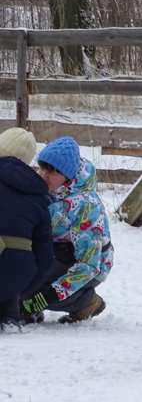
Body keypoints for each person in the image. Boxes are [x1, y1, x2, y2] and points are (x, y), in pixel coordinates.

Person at [19, 136, 113, 324]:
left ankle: (86, 301)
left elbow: (88, 264)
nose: (44, 174)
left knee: (37, 289)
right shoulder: (47, 189)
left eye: (52, 171)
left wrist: (50, 295)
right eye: (43, 168)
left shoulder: (86, 206)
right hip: (56, 253)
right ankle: (25, 304)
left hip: (89, 265)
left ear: (68, 176)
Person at [0, 128, 53, 332]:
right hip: (15, 278)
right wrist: (22, 290)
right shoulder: (38, 195)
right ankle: (9, 315)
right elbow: (45, 256)